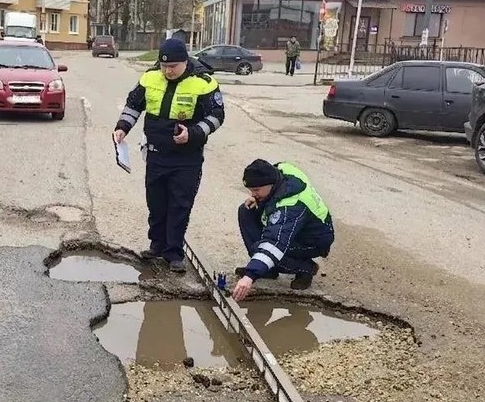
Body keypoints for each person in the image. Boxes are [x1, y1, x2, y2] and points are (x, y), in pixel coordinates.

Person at [113, 38, 225, 273]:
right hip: (156, 154)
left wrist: (193, 133)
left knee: (179, 205)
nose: (168, 71)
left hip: (186, 159)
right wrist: (123, 127)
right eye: (164, 66)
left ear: (185, 61)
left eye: (173, 66)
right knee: (156, 203)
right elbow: (133, 105)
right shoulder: (150, 77)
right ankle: (156, 245)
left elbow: (216, 116)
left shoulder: (203, 83)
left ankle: (173, 253)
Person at [230, 159, 335, 301]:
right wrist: (259, 199)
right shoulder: (281, 171)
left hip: (313, 241)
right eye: (251, 190)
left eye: (256, 190)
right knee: (246, 210)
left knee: (264, 248)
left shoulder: (290, 206)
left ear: (271, 183)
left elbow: (274, 243)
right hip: (297, 229)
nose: (253, 194)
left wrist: (250, 276)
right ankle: (268, 269)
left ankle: (306, 268)